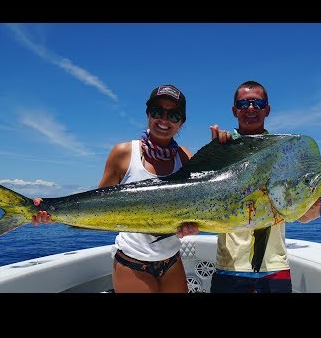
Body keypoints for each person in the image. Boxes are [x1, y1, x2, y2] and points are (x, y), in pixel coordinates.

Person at [32, 84, 199, 293]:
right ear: (148, 113)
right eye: (157, 111)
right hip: (133, 264)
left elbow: (194, 207)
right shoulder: (123, 153)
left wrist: (192, 226)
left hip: (172, 261)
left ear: (181, 122)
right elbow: (96, 209)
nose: (164, 120)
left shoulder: (185, 157)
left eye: (173, 115)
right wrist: (51, 211)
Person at [208, 80, 321, 293]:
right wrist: (216, 154)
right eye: (244, 104)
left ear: (267, 109)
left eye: (257, 103)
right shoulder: (223, 148)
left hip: (274, 269)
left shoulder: (284, 154)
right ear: (235, 111)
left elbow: (307, 215)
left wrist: (312, 204)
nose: (250, 108)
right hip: (229, 267)